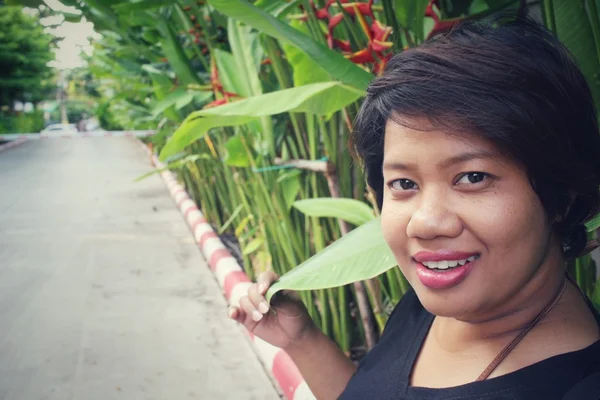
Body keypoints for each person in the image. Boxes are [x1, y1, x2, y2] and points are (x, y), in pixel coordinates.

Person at [228, 16, 600, 399]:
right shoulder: (435, 301)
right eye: (404, 184)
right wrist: (301, 339)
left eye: (472, 177)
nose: (424, 224)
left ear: (562, 193)